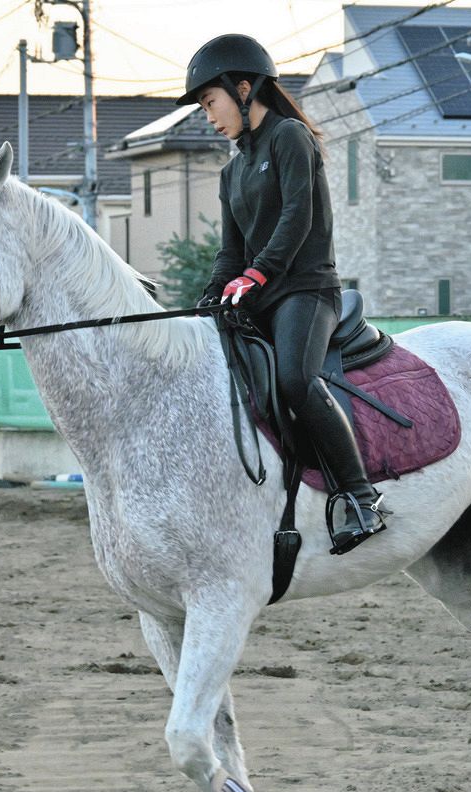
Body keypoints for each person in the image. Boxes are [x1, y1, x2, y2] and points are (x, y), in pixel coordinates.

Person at [178, 34, 388, 554]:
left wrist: (258, 274)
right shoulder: (232, 171)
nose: (209, 115)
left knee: (295, 380)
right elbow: (230, 253)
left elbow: (299, 217)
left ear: (243, 88)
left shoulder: (289, 137)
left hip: (307, 290)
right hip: (260, 297)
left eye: (211, 102)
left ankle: (361, 497)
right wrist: (210, 296)